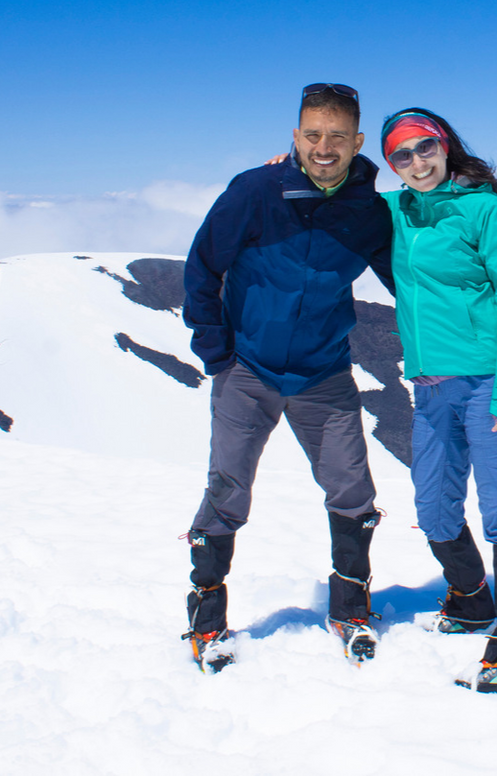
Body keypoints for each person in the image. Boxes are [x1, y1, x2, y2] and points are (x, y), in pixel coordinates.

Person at [182, 82, 394, 671]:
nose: (324, 148)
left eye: (337, 137)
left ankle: (350, 610)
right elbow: (203, 266)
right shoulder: (256, 191)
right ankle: (206, 619)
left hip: (323, 372)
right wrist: (216, 353)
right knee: (227, 490)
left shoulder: (369, 212)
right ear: (296, 136)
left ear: (357, 142)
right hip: (248, 368)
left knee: (353, 491)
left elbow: (407, 280)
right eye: (313, 135)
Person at [380, 108, 497, 692]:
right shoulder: (395, 211)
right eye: (402, 155)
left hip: (487, 383)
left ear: (444, 145)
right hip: (431, 390)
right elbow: (333, 196)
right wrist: (285, 170)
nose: (417, 162)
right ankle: (471, 601)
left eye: (425, 148)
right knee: (433, 509)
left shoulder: (484, 209)